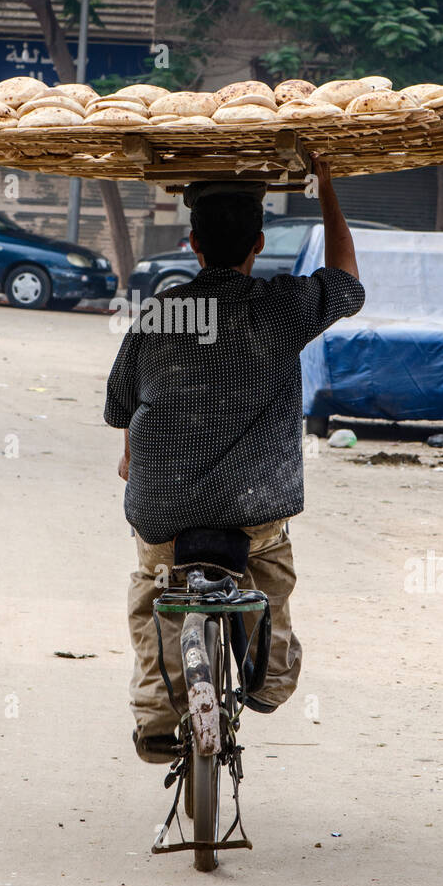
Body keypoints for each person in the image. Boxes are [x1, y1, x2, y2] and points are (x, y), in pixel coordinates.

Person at [104, 156, 365, 762]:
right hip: (256, 508)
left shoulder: (161, 312)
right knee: (269, 578)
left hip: (164, 511)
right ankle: (268, 682)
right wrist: (327, 187)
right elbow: (347, 278)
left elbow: (123, 406)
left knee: (152, 589)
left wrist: (131, 457)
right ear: (260, 244)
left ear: (192, 243)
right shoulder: (281, 308)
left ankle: (154, 718)